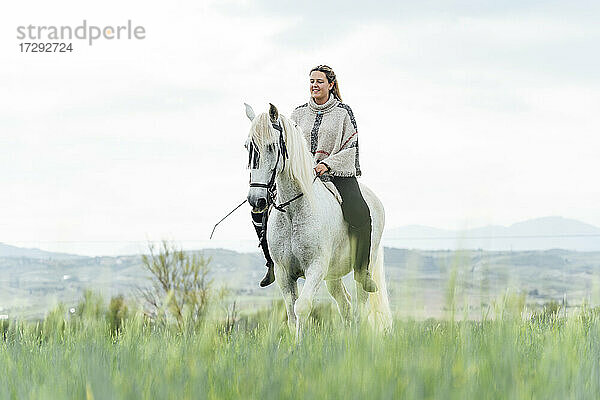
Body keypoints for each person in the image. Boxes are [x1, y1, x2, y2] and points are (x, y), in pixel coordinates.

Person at [253, 64, 377, 292]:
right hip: (302, 176)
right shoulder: (298, 114)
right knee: (261, 209)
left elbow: (351, 147)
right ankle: (272, 262)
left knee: (361, 212)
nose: (314, 85)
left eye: (319, 81)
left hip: (336, 174)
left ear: (331, 84)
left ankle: (362, 269)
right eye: (311, 81)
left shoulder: (343, 113)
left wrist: (327, 164)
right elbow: (288, 145)